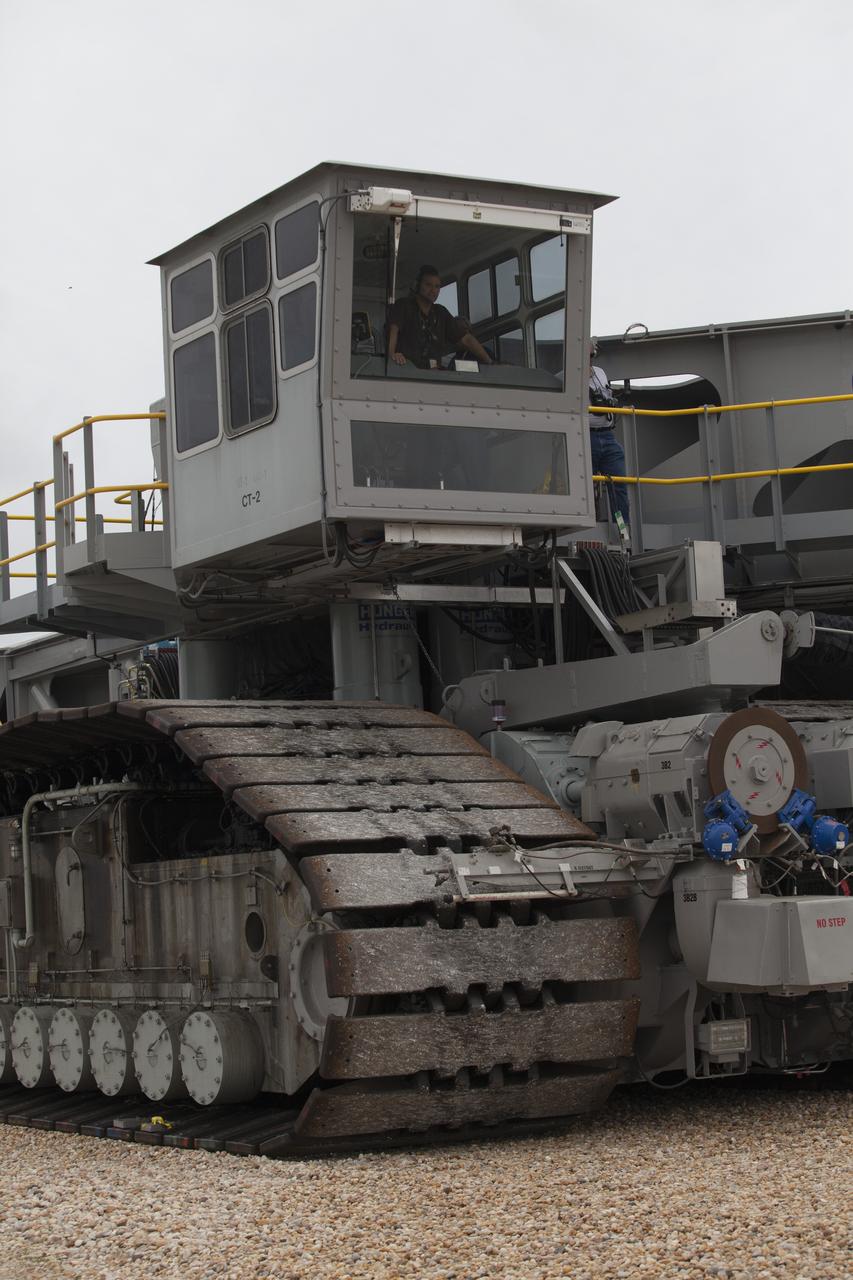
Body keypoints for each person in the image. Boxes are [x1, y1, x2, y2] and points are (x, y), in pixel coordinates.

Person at [388, 265, 493, 369]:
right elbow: (393, 330)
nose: (433, 290)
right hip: (406, 371)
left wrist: (490, 363)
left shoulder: (441, 312)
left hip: (434, 375)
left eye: (437, 286)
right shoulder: (404, 305)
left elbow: (466, 339)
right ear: (417, 285)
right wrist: (392, 355)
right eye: (428, 285)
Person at [589, 348, 630, 538]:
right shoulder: (569, 375)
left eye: (590, 355)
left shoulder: (600, 372)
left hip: (607, 436)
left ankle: (623, 529)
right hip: (585, 436)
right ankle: (587, 527)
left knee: (619, 485)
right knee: (586, 487)